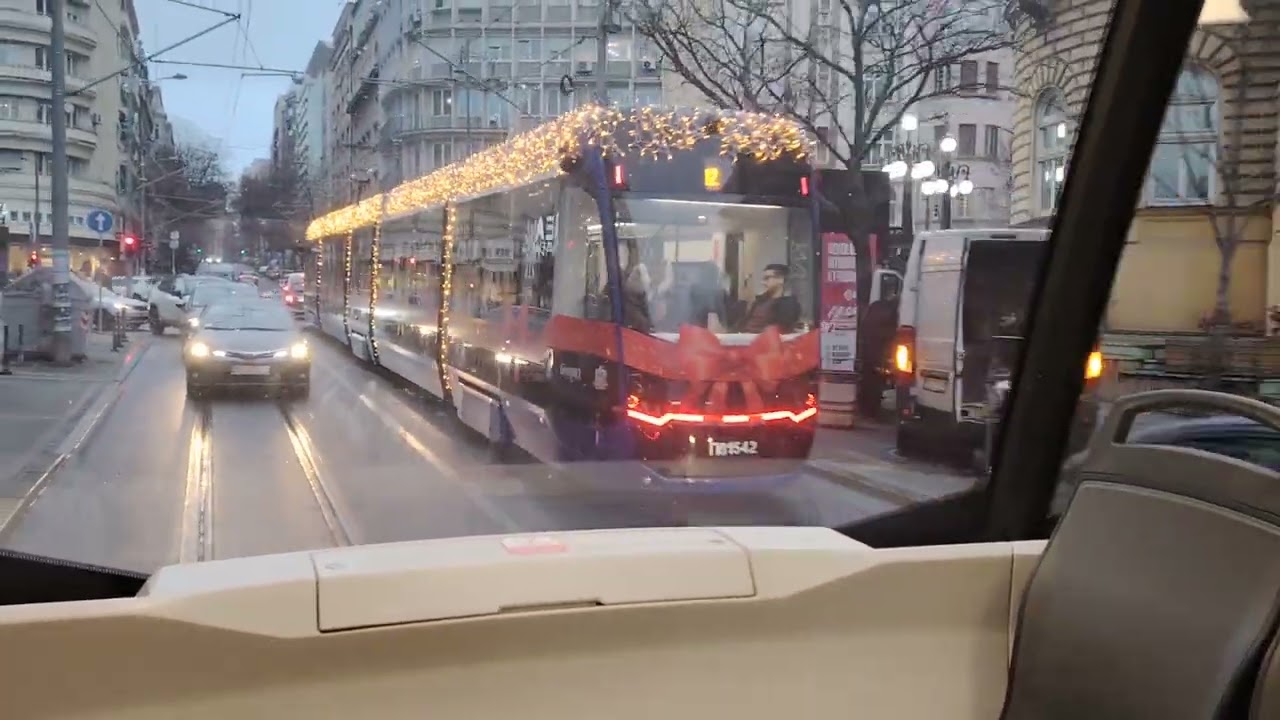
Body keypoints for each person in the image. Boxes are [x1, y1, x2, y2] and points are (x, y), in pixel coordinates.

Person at [737, 263, 801, 333]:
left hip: (764, 340)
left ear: (780, 280)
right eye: (763, 279)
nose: (763, 283)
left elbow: (783, 329)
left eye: (767, 278)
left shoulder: (788, 304)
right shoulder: (759, 301)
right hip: (744, 338)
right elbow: (743, 323)